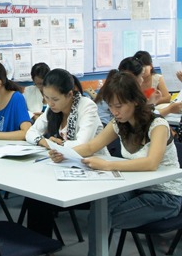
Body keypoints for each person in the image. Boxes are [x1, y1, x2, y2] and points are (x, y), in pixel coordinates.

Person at [49, 70, 182, 256]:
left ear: (135, 101)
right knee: (99, 209)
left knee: (104, 218)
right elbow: (91, 146)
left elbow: (151, 163)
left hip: (166, 196)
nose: (114, 112)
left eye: (119, 106)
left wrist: (107, 165)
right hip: (134, 188)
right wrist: (64, 153)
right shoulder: (119, 123)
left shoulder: (157, 124)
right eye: (111, 106)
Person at [24, 68, 106, 238]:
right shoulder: (52, 110)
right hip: (64, 166)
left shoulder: (86, 106)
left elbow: (83, 144)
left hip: (93, 169)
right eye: (46, 98)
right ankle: (40, 244)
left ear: (69, 94)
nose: (50, 103)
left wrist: (60, 146)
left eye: (54, 99)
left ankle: (41, 245)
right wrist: (48, 143)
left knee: (40, 197)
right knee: (35, 194)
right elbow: (30, 133)